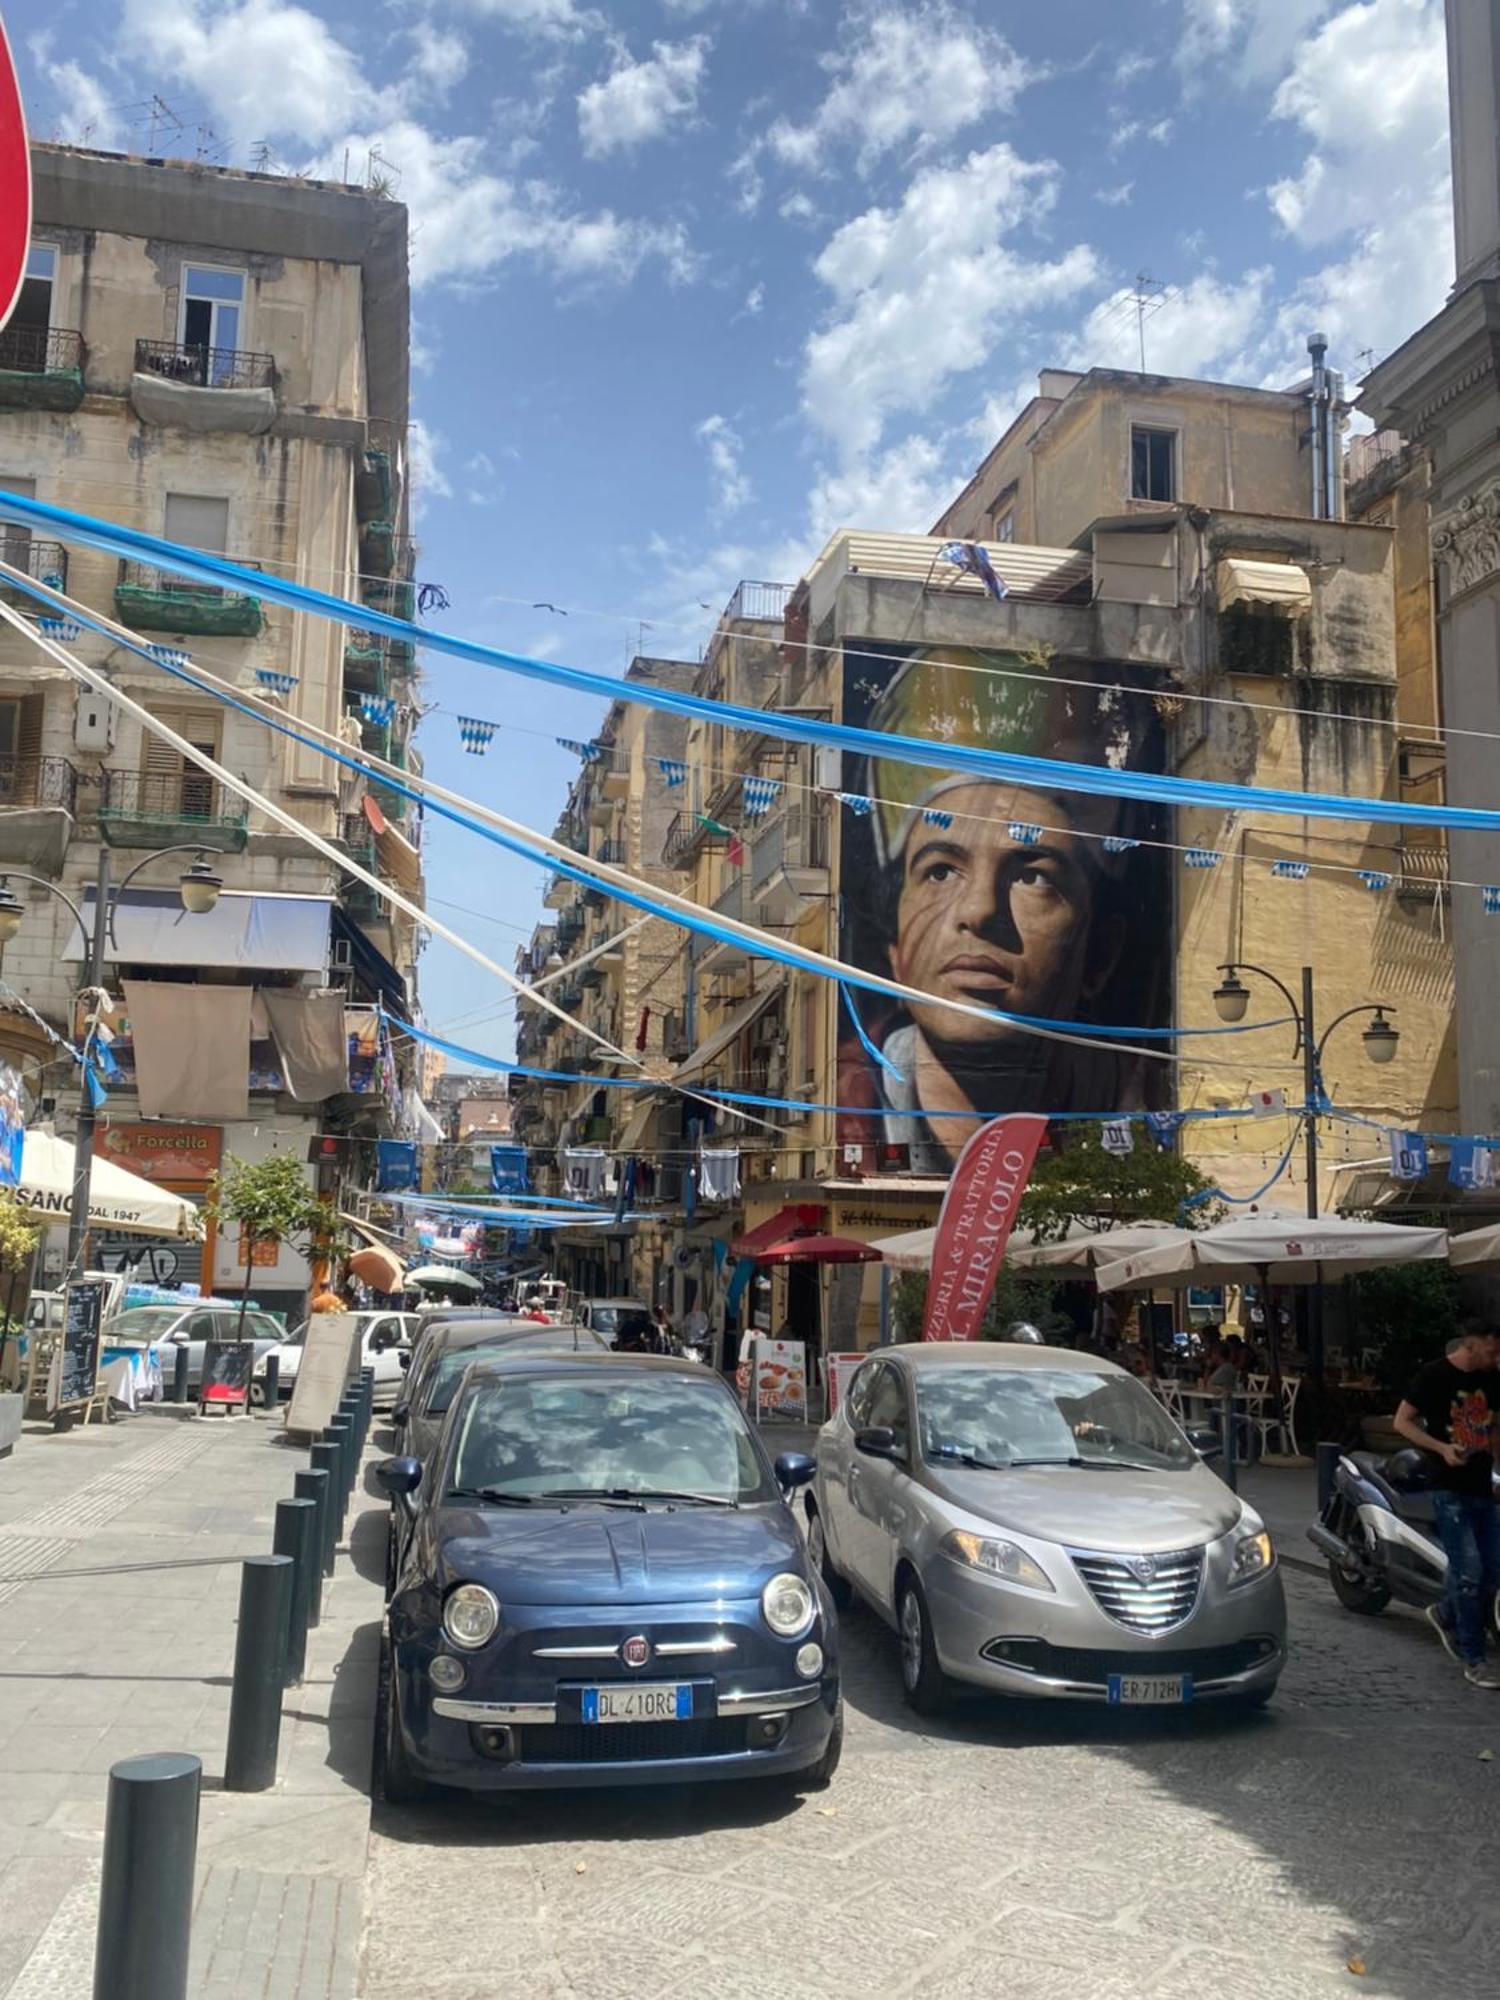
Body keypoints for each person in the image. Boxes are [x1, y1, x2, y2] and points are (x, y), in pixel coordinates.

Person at [835, 649, 1169, 1172]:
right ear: (896, 949)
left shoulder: (1140, 1118)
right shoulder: (853, 1106)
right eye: (941, 870)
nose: (980, 910)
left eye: (1031, 875)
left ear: (1100, 952)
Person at [1393, 1320, 1500, 1688]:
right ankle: (1474, 1657)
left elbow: (1494, 1428)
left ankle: (1445, 1612)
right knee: (1468, 1572)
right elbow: (1402, 1421)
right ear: (1472, 1343)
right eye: (1492, 1350)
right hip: (1447, 1487)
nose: (1496, 1357)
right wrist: (1440, 1448)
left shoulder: (1492, 1378)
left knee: (1492, 1572)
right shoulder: (1434, 1375)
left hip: (1483, 1487)